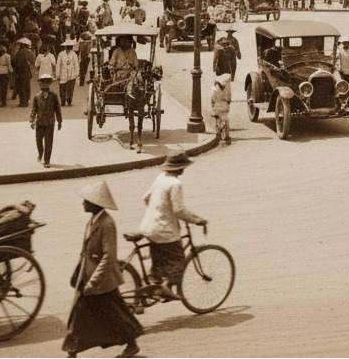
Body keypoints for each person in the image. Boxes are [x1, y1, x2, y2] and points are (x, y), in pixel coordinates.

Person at [63, 179, 143, 359]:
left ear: (95, 204)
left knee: (113, 315)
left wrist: (94, 281)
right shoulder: (92, 221)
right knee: (84, 315)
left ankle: (130, 344)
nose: (83, 203)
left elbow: (108, 257)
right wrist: (80, 274)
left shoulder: (107, 224)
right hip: (89, 276)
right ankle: (72, 351)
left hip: (101, 281)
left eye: (86, 200)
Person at [138, 150, 208, 301]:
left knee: (158, 262)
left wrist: (158, 211)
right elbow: (179, 210)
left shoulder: (160, 177)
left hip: (149, 227)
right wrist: (197, 220)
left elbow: (146, 198)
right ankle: (165, 288)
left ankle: (148, 293)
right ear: (181, 167)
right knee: (178, 263)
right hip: (164, 231)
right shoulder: (175, 184)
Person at [30, 73, 62, 168]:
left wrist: (60, 121)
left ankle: (47, 160)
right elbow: (34, 109)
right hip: (39, 123)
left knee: (48, 143)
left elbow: (57, 109)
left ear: (50, 84)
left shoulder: (53, 96)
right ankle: (40, 154)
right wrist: (32, 120)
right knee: (38, 142)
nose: (45, 85)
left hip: (49, 123)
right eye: (43, 82)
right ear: (40, 84)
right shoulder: (37, 97)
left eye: (47, 82)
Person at [11, 37, 34, 107]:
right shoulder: (30, 52)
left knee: (21, 87)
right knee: (27, 86)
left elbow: (15, 62)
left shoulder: (19, 52)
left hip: (20, 71)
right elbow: (33, 61)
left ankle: (22, 102)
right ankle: (26, 100)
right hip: (27, 71)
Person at [56, 39, 80, 106]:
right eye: (67, 47)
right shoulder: (61, 54)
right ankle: (63, 101)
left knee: (70, 89)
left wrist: (76, 73)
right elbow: (58, 64)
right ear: (65, 47)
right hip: (63, 73)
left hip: (71, 73)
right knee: (62, 88)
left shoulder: (74, 54)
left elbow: (76, 64)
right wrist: (57, 74)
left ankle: (69, 100)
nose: (68, 48)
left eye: (70, 47)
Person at [211, 73, 232, 146]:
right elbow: (228, 98)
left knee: (218, 121)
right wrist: (228, 102)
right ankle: (225, 137)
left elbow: (212, 98)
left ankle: (218, 135)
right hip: (224, 107)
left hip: (216, 107)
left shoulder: (214, 88)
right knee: (225, 121)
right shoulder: (226, 89)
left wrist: (213, 106)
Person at [0, 42, 12, 107]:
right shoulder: (7, 56)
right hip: (4, 72)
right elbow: (9, 64)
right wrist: (11, 70)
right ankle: (3, 101)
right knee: (4, 87)